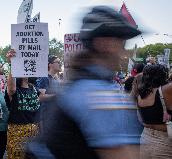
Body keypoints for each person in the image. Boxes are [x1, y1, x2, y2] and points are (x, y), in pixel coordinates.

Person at [26, 6, 142, 159]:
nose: (124, 53)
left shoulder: (85, 83)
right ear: (104, 43)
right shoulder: (95, 91)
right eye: (122, 43)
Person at [6, 50, 41, 159]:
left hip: (34, 131)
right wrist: (12, 63)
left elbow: (40, 102)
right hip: (18, 132)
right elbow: (11, 89)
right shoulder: (16, 89)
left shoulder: (33, 88)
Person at [135, 64, 172, 159]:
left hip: (145, 138)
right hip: (164, 140)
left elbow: (141, 119)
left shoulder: (140, 95)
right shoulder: (165, 90)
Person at [36, 55, 62, 133]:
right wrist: (56, 96)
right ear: (50, 65)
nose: (60, 64)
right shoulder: (44, 78)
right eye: (58, 62)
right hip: (46, 117)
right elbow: (40, 97)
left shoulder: (57, 79)